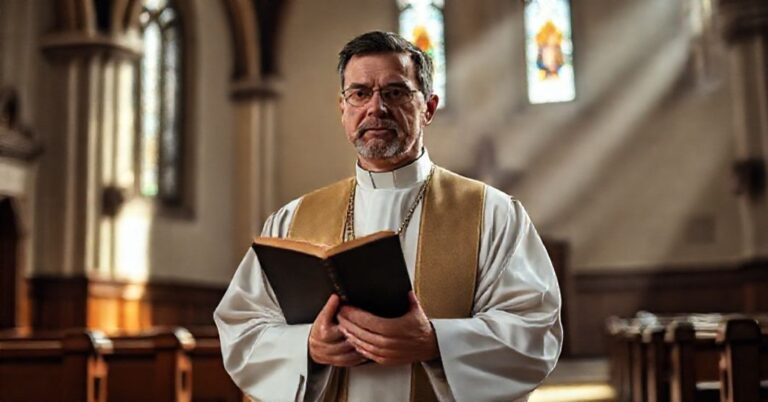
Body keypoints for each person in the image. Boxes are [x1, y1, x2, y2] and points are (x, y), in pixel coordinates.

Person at [214, 31, 562, 402]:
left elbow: (535, 329)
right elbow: (242, 327)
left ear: (428, 107)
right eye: (360, 93)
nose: (375, 107)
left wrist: (435, 343)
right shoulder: (291, 219)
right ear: (343, 109)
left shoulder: (493, 214)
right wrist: (308, 347)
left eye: (395, 92)